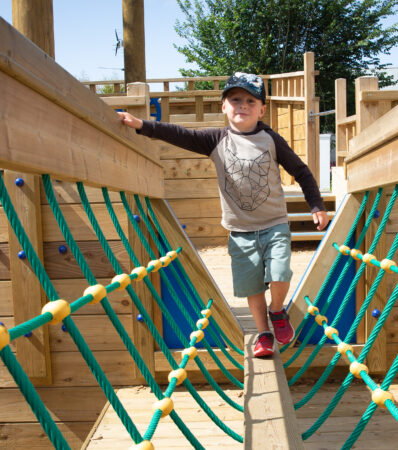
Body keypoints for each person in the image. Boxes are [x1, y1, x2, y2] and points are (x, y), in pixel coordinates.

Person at [118, 72, 329, 357]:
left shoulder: (270, 139)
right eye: (235, 99)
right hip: (240, 231)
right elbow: (180, 134)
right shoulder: (216, 139)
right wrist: (143, 125)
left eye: (250, 101)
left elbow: (301, 171)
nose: (242, 105)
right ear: (223, 106)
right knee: (252, 285)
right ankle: (263, 334)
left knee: (280, 273)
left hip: (274, 223)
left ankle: (277, 311)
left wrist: (316, 205)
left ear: (262, 109)